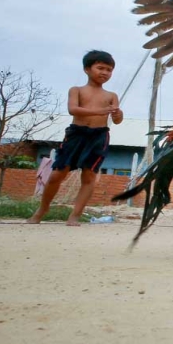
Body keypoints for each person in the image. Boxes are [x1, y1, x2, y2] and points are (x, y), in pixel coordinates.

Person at [27, 50, 123, 226]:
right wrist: (100, 111)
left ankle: (75, 215)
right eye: (100, 68)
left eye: (109, 70)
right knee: (58, 173)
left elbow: (117, 120)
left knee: (88, 176)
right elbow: (73, 110)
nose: (105, 73)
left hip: (99, 136)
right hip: (76, 133)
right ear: (87, 69)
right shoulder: (77, 90)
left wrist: (118, 114)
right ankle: (42, 209)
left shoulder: (111, 95)